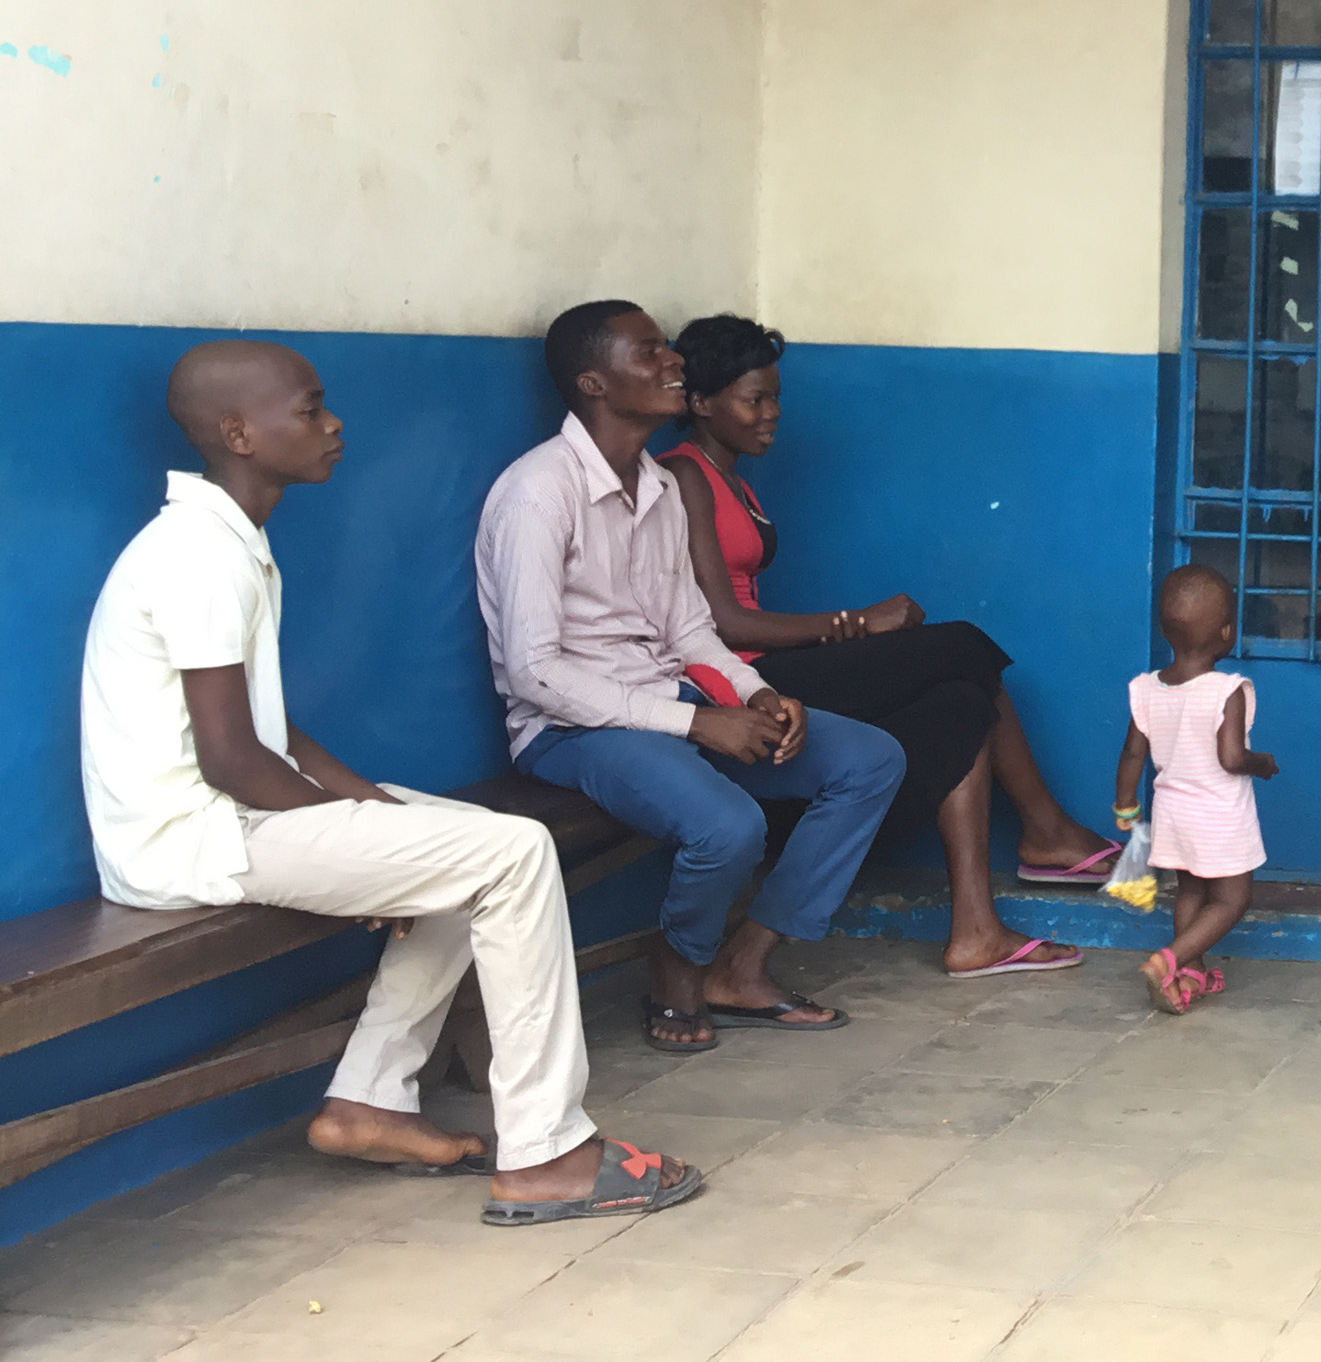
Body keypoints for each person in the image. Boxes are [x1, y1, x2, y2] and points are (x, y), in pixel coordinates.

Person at [83, 340, 696, 1225]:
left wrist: (370, 811)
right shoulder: (196, 555)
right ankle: (547, 1152)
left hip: (233, 819)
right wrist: (364, 842)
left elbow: (270, 729)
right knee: (513, 852)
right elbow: (230, 758)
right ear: (238, 433)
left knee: (462, 836)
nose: (334, 425)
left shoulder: (227, 540)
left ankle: (368, 1100)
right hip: (191, 840)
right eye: (309, 409)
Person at [477, 301, 906, 1054]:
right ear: (593, 383)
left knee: (869, 760)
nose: (672, 361)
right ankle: (679, 961)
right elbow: (535, 671)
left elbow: (689, 631)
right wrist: (699, 721)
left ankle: (743, 964)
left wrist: (754, 694)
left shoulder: (659, 488)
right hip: (570, 728)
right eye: (649, 352)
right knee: (728, 826)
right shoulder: (538, 492)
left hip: (669, 697)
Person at [656, 313, 1106, 980]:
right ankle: (1046, 831)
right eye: (754, 399)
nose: (771, 413)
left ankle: (976, 931)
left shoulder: (734, 481)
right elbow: (723, 623)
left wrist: (854, 627)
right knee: (964, 646)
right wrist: (857, 622)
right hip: (742, 683)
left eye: (775, 397)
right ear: (700, 403)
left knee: (963, 703)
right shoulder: (683, 476)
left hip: (766, 670)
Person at [1113, 565, 1276, 1014]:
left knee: (1191, 893)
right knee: (1232, 899)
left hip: (1174, 813)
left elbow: (1132, 753)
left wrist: (1126, 805)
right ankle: (1169, 961)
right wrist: (1262, 764)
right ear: (1226, 632)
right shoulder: (1227, 690)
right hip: (1219, 815)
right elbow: (1232, 759)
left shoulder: (1146, 689)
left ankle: (1192, 972)